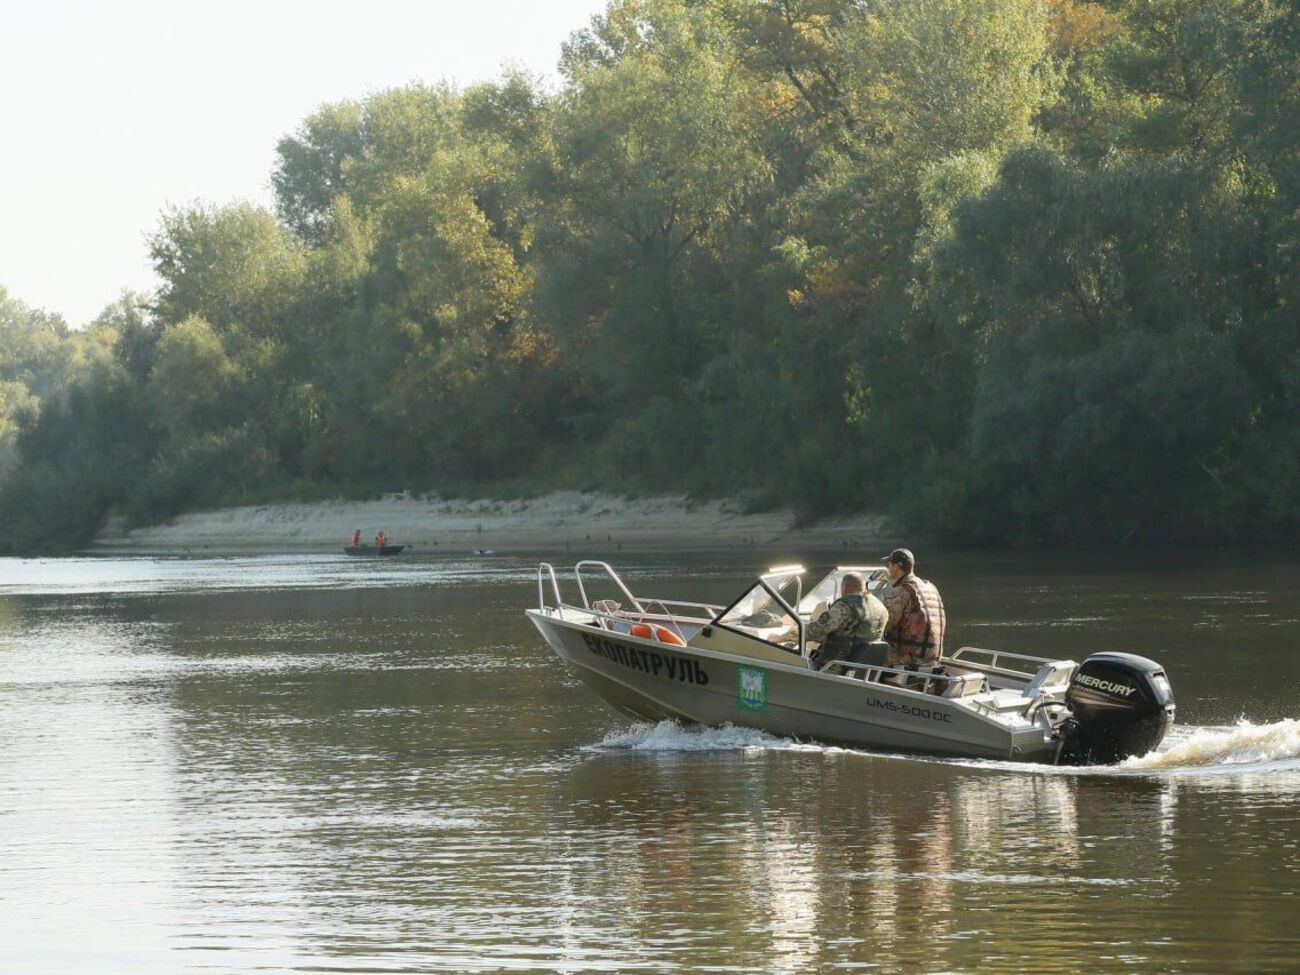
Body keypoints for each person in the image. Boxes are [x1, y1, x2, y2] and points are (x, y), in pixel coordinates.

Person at [803, 571, 888, 671]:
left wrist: (787, 636)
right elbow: (854, 635)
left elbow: (816, 630)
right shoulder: (881, 608)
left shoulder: (845, 606)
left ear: (844, 587)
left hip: (833, 668)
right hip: (862, 670)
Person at [879, 548, 946, 668]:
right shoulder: (930, 587)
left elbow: (885, 625)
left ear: (897, 566)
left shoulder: (901, 591)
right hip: (934, 657)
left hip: (909, 659)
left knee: (866, 651)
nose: (888, 568)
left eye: (889, 564)